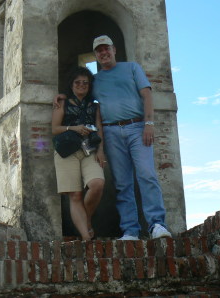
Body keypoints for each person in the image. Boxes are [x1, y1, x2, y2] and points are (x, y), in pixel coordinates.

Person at [55, 35, 171, 240]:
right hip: (110, 132)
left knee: (147, 175)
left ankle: (156, 225)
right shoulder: (95, 80)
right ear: (96, 55)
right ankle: (131, 230)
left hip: (137, 127)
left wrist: (149, 124)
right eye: (99, 51)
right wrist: (63, 96)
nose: (103, 53)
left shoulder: (132, 68)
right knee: (122, 182)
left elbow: (147, 95)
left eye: (106, 48)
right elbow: (80, 93)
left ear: (114, 49)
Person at [52, 66, 106, 241]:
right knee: (75, 195)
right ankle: (86, 237)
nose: (81, 85)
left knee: (97, 184)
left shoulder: (94, 106)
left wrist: (101, 150)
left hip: (89, 150)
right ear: (71, 84)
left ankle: (87, 217)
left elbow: (99, 130)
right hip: (67, 152)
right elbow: (54, 129)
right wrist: (73, 128)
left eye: (85, 82)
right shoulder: (63, 103)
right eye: (77, 82)